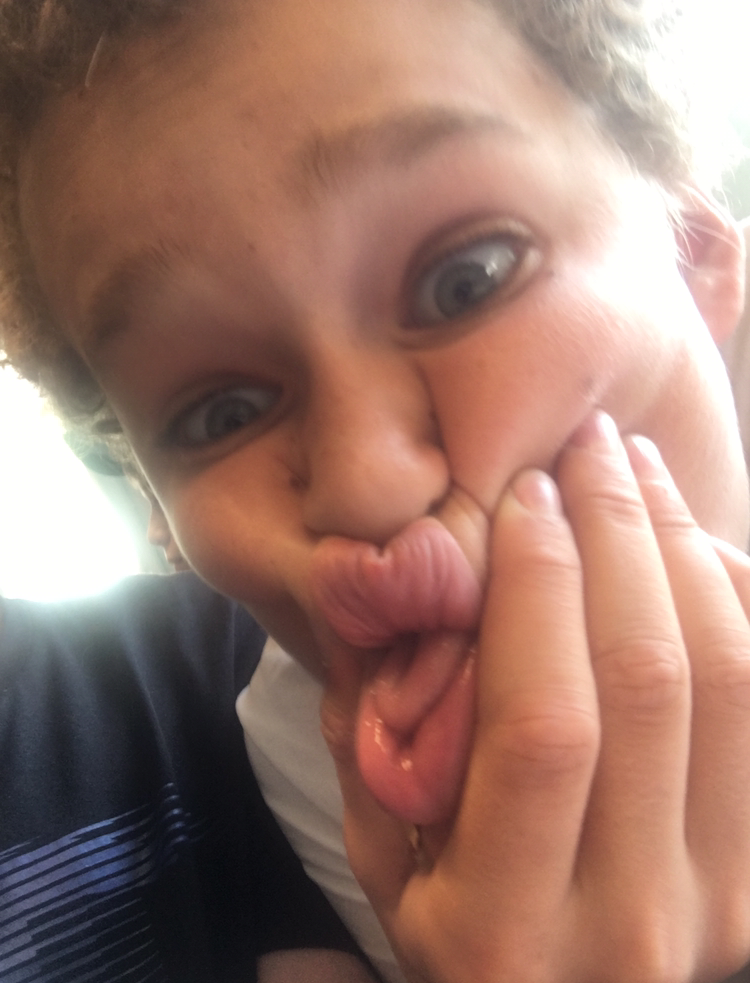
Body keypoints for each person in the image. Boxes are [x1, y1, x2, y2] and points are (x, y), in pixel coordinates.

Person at [3, 1, 750, 981]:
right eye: (222, 412)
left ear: (694, 250)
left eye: (467, 279)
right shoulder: (313, 753)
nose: (366, 485)